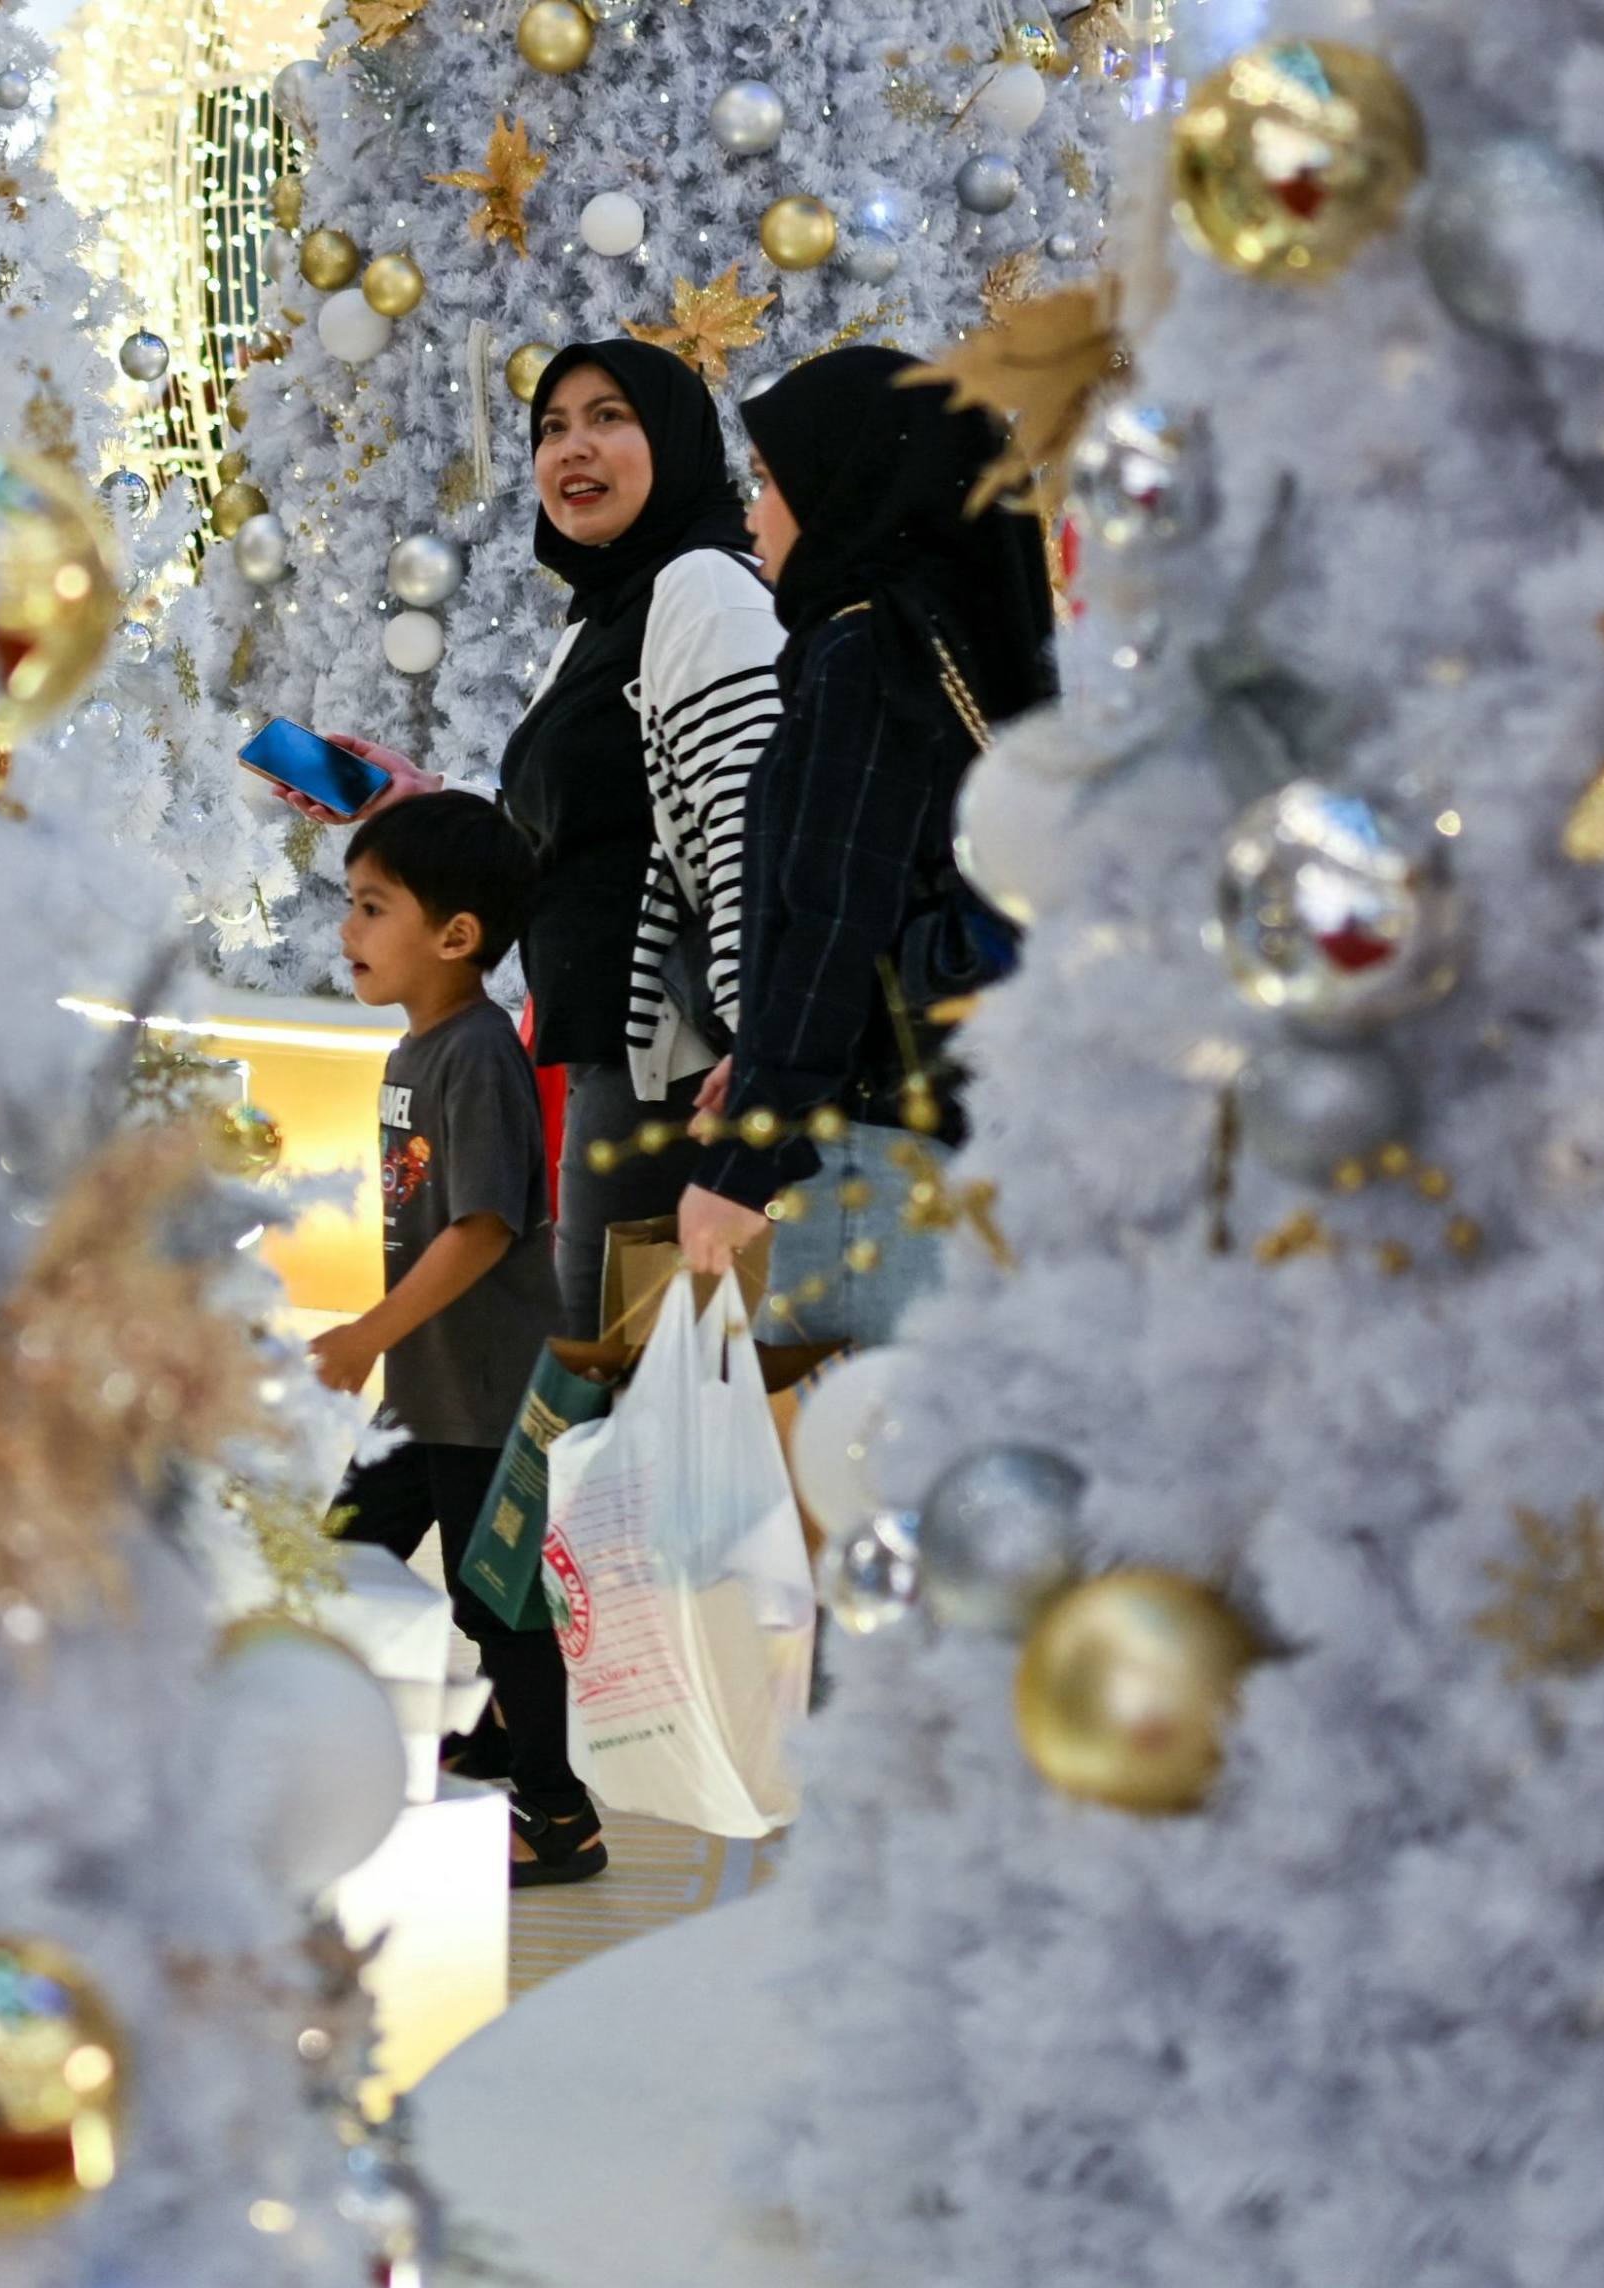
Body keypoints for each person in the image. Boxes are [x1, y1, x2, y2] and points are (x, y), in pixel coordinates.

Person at [285, 340, 782, 1326]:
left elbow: (751, 827)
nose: (570, 449)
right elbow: (579, 844)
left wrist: (764, 1054)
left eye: (608, 418)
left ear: (677, 440)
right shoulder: (604, 617)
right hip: (619, 1066)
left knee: (634, 1415)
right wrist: (414, 801)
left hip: (686, 1083)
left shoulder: (703, 588)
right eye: (551, 428)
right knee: (621, 1411)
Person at [673, 347, 1058, 1300]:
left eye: (768, 483)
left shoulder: (863, 648)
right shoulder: (940, 634)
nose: (752, 514)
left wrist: (746, 1161)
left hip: (879, 1155)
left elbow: (833, 917)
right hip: (957, 1126)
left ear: (844, 484)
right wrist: (760, 1056)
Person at [306, 793, 607, 1889]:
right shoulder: (417, 1054)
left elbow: (485, 1229)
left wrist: (367, 1332)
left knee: (500, 1598)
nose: (348, 930)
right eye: (352, 903)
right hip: (426, 1384)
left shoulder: (476, 1055)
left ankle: (561, 1816)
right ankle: (476, 1728)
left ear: (458, 936)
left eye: (373, 908)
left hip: (481, 1390)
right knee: (345, 1550)